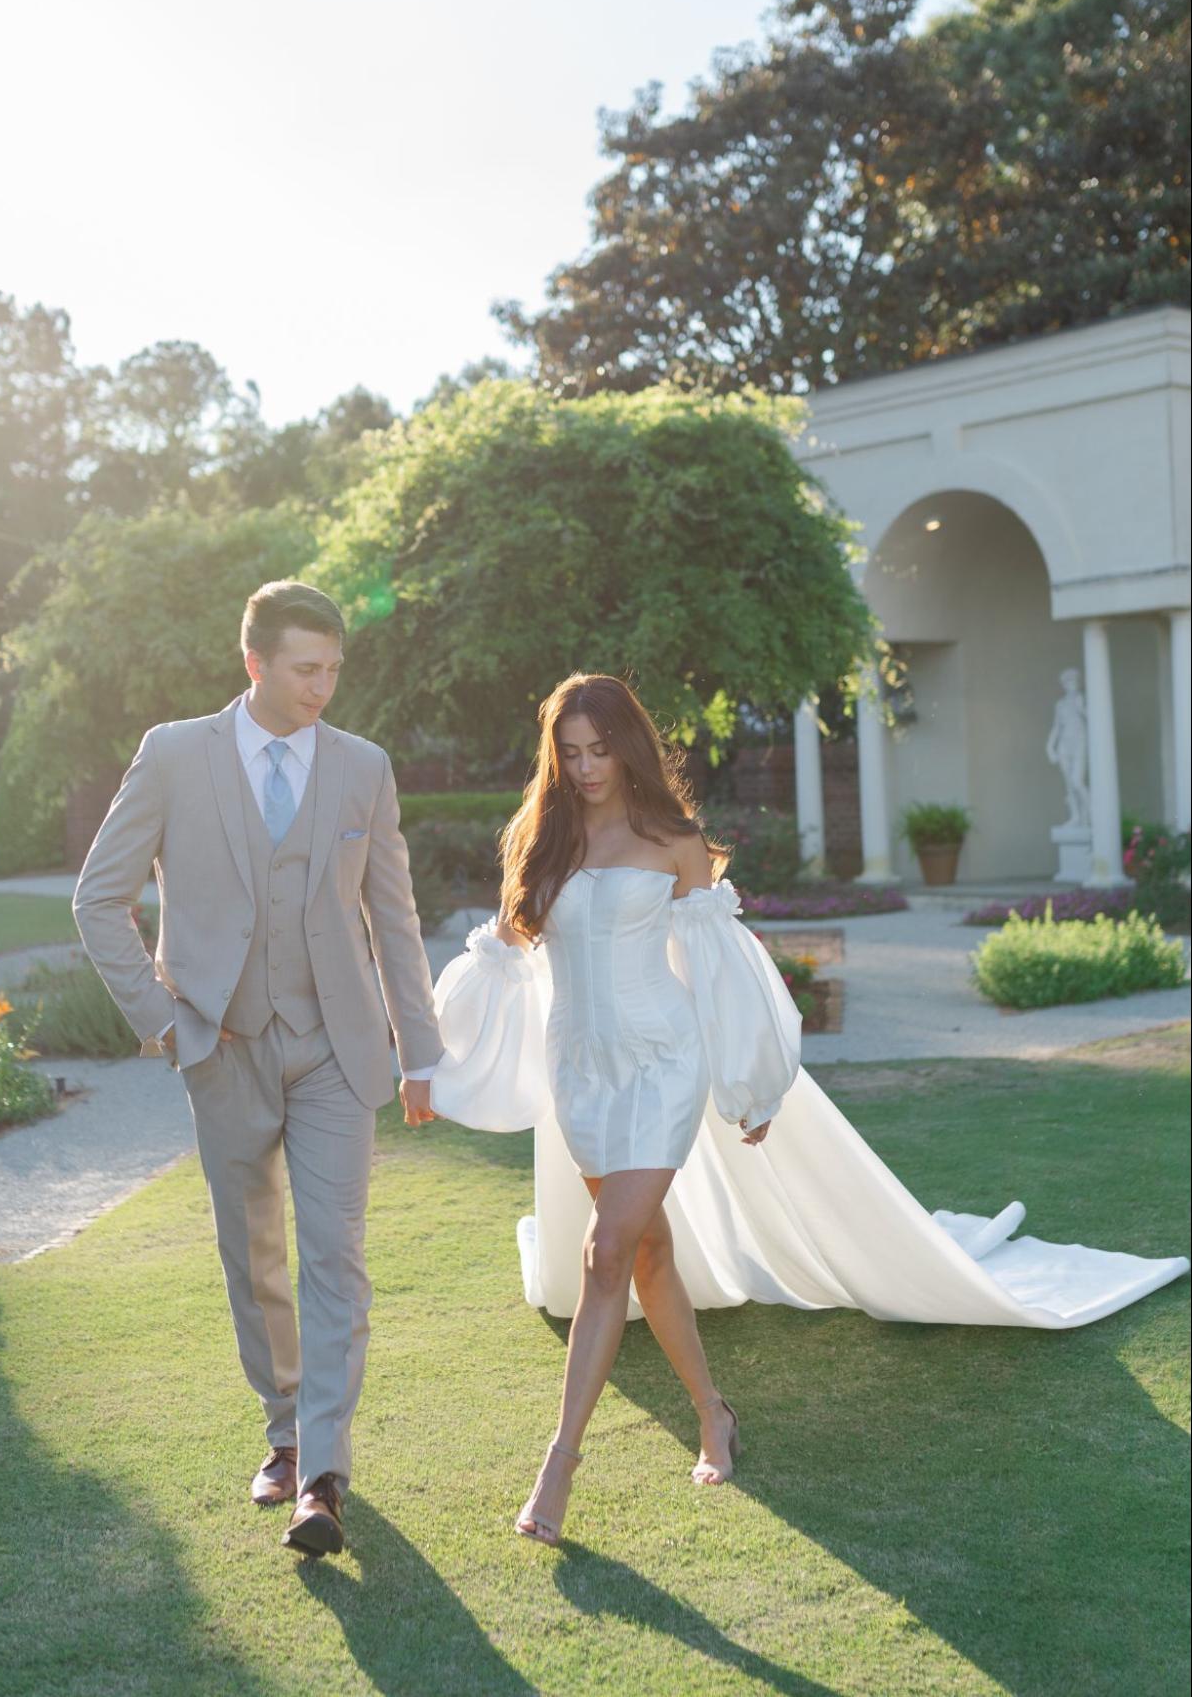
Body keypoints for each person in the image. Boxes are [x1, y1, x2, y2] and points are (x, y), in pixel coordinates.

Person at [427, 673, 1190, 1546]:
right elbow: (501, 953)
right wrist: (430, 1053)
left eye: (600, 749)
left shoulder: (673, 840)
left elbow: (719, 968)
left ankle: (558, 1463)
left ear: (627, 745)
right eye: (570, 752)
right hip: (582, 1070)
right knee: (646, 1253)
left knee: (604, 1251)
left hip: (661, 1061)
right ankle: (715, 1412)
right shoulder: (542, 837)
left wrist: (750, 1082)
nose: (587, 765)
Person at [73, 580, 441, 1559]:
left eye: (333, 669)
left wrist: (420, 1050)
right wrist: (165, 1018)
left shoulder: (363, 766)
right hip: (221, 1046)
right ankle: (281, 1432)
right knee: (255, 1258)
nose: (324, 687)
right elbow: (97, 900)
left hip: (334, 1046)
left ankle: (321, 1474)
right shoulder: (174, 754)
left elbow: (392, 918)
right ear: (255, 663)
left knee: (336, 1259)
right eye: (304, 669)